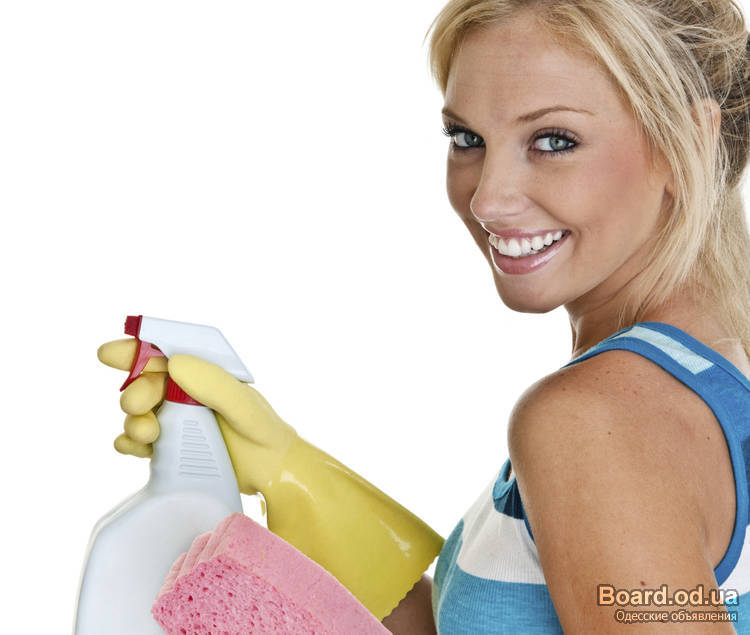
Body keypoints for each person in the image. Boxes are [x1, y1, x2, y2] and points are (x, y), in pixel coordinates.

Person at [99, 0, 750, 632]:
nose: (488, 197)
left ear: (688, 141)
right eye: (468, 138)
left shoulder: (589, 421)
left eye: (553, 140)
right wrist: (292, 474)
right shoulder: (712, 370)